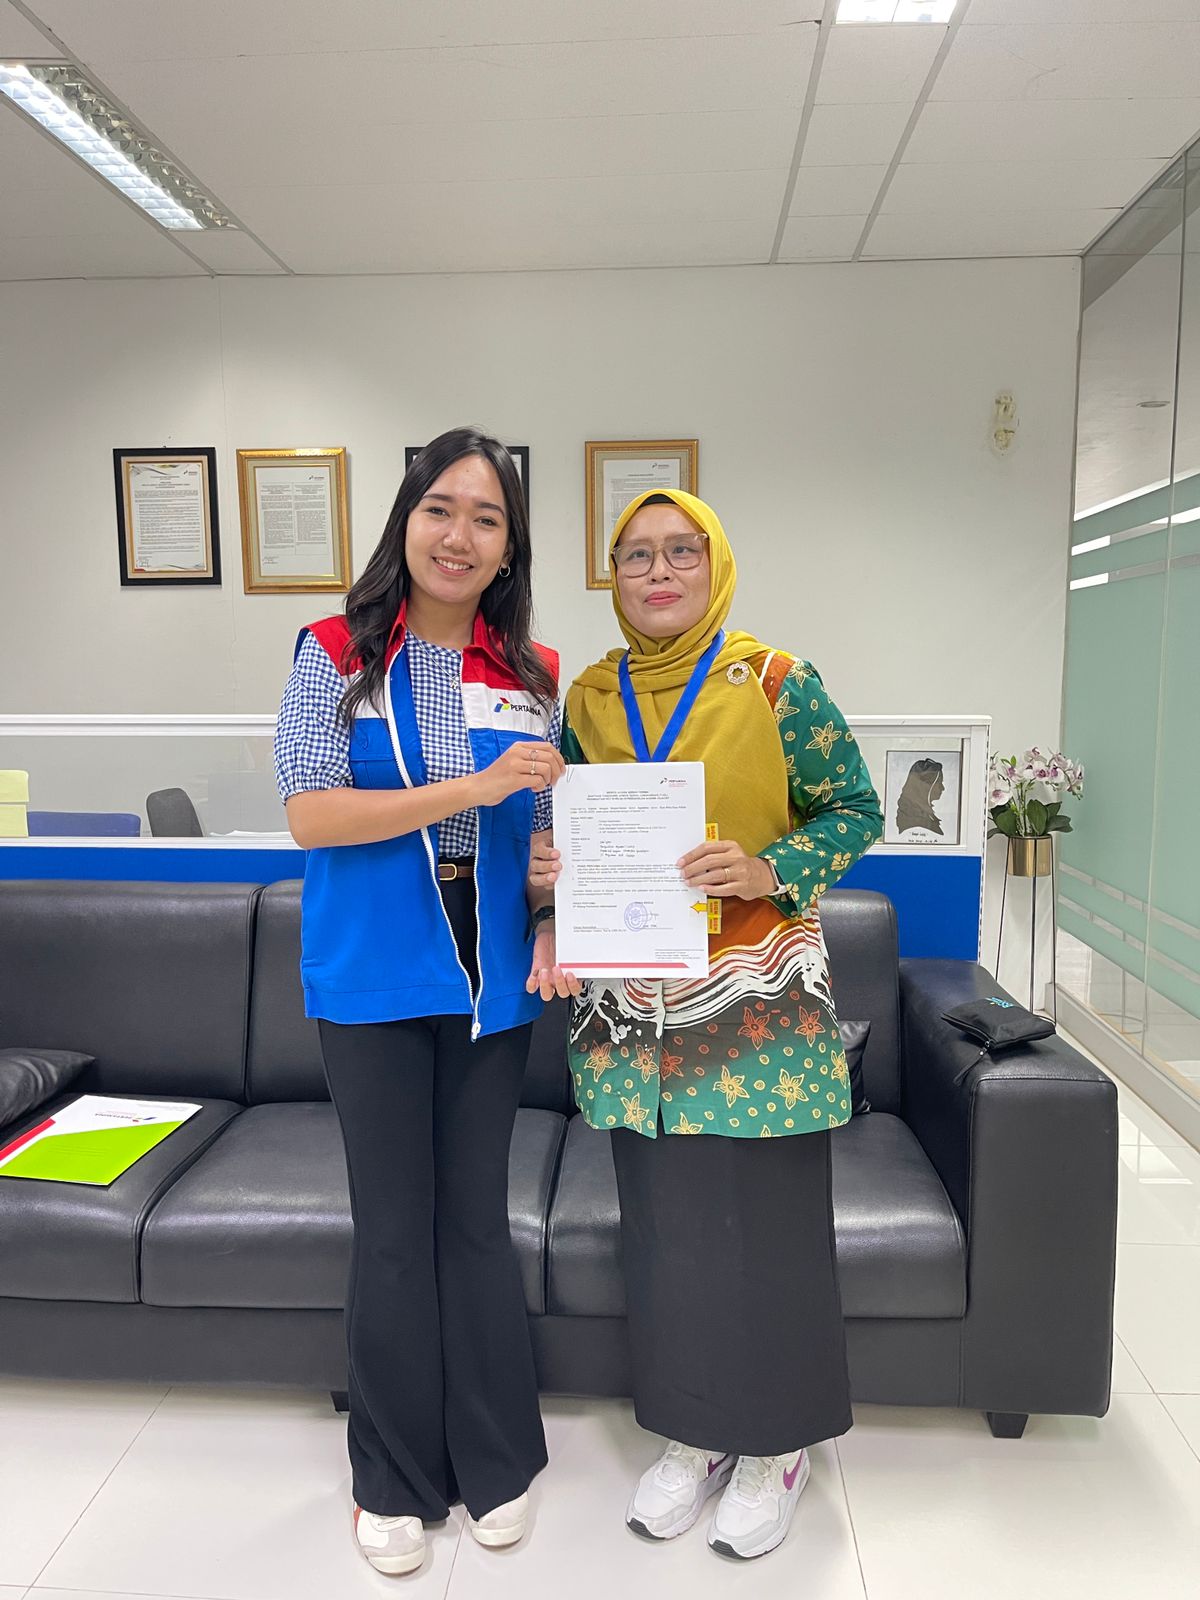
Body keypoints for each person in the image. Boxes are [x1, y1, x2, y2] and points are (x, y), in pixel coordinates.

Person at [532, 489, 883, 1562]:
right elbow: (565, 827)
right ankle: (693, 1433)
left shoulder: (775, 682)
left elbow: (856, 809)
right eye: (635, 555)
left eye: (681, 550)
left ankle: (776, 1447)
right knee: (665, 1234)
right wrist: (550, 876)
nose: (658, 571)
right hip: (633, 1015)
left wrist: (769, 866)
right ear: (613, 576)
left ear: (715, 563)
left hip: (755, 1003)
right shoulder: (589, 698)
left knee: (770, 1233)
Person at [274, 426, 575, 1576]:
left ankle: (497, 1460)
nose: (460, 534)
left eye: (487, 518)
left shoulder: (532, 671)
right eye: (441, 508)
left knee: (476, 1224)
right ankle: (391, 1479)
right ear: (406, 520)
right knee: (395, 1231)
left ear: (508, 547)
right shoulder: (331, 653)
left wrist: (550, 900)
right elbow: (311, 812)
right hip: (372, 975)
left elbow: (537, 833)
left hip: (492, 979)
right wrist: (472, 787)